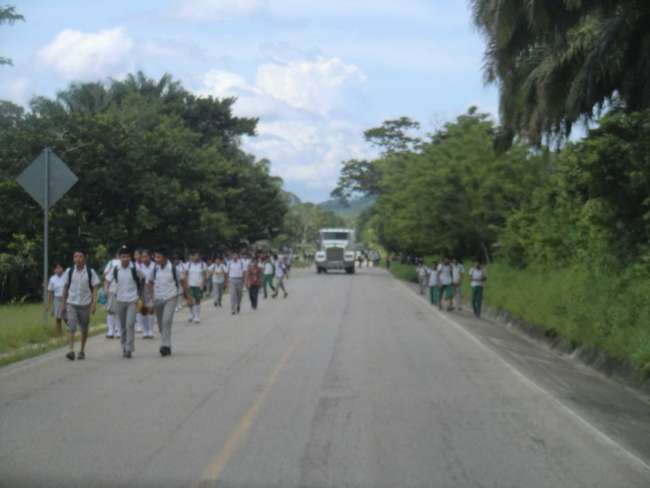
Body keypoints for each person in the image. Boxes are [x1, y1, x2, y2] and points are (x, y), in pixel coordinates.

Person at [62, 250, 101, 361]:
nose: (78, 259)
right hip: (72, 303)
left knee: (84, 329)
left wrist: (94, 303)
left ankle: (82, 350)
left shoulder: (90, 272)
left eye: (80, 256)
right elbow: (65, 287)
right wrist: (63, 304)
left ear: (85, 258)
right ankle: (71, 350)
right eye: (75, 256)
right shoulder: (69, 271)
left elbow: (95, 288)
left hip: (85, 304)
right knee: (71, 326)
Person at [107, 246, 144, 358]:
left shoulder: (135, 269)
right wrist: (106, 290)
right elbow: (107, 280)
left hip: (132, 300)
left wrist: (140, 295)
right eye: (123, 257)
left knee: (130, 324)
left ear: (130, 257)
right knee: (122, 326)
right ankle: (123, 345)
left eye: (127, 256)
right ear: (119, 257)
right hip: (119, 300)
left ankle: (129, 348)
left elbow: (143, 279)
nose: (125, 259)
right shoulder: (115, 269)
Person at [149, 247, 187, 357]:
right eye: (155, 257)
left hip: (171, 297)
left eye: (158, 257)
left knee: (166, 321)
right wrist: (152, 297)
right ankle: (167, 343)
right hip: (158, 299)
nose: (156, 259)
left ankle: (165, 345)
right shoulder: (155, 269)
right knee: (161, 325)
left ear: (165, 258)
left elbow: (183, 281)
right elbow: (150, 282)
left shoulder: (174, 269)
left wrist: (188, 297)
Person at [185, 251, 207, 323]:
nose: (196, 257)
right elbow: (185, 275)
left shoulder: (202, 264)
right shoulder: (188, 264)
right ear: (192, 256)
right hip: (190, 285)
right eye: (195, 256)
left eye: (197, 256)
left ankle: (197, 316)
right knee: (190, 302)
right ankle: (192, 314)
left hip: (198, 285)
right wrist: (186, 285)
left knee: (197, 301)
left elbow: (204, 275)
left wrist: (203, 284)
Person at [103, 252, 121, 339]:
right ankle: (111, 330)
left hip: (122, 291)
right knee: (110, 310)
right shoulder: (112, 263)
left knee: (118, 311)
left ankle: (118, 330)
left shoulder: (129, 264)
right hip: (112, 289)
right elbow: (106, 275)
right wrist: (106, 288)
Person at [138, 250, 156, 339]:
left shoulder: (155, 266)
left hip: (153, 289)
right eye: (142, 257)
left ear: (150, 256)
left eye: (146, 257)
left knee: (151, 309)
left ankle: (151, 330)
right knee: (143, 310)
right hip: (143, 290)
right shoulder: (139, 267)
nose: (144, 259)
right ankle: (145, 331)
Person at [47, 263, 66, 336]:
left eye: (60, 267)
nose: (59, 269)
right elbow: (50, 292)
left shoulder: (66, 276)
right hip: (57, 299)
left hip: (66, 298)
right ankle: (59, 333)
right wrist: (49, 304)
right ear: (54, 270)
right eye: (57, 268)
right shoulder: (52, 279)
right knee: (58, 318)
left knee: (68, 317)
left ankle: (71, 331)